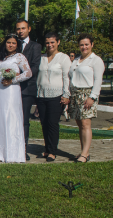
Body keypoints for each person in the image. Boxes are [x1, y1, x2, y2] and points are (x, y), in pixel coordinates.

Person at [0, 34, 32, 163]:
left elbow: (28, 73)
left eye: (13, 43)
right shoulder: (0, 57)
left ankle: (10, 151)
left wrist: (13, 80)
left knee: (9, 117)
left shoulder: (19, 57)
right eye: (8, 42)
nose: (10, 45)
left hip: (11, 91)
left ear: (17, 45)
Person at [68, 34, 105, 163]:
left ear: (92, 45)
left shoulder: (96, 60)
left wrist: (93, 97)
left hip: (87, 94)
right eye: (81, 45)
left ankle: (84, 154)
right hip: (75, 94)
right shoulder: (76, 60)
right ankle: (84, 151)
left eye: (86, 44)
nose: (84, 47)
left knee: (85, 124)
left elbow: (98, 80)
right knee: (79, 124)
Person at [36, 32, 71, 162]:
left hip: (57, 96)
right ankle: (47, 148)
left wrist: (66, 94)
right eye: (47, 43)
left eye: (52, 42)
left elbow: (67, 77)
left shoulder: (64, 58)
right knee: (44, 123)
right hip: (41, 95)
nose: (50, 45)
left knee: (52, 123)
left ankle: (52, 151)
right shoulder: (41, 58)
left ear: (58, 42)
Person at [15, 20, 41, 160]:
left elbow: (35, 67)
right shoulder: (13, 45)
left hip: (27, 88)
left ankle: (23, 149)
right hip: (12, 89)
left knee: (24, 119)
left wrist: (20, 77)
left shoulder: (35, 46)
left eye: (23, 28)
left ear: (29, 29)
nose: (20, 31)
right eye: (18, 29)